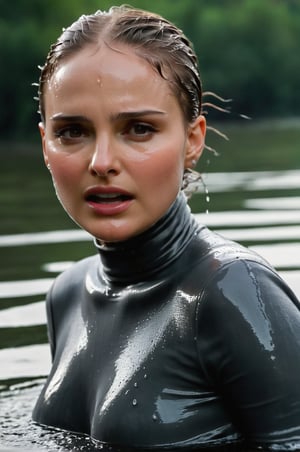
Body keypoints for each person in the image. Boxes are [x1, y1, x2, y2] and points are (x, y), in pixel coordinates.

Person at [32, 5, 300, 451]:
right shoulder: (66, 295)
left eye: (138, 128)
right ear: (46, 144)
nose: (101, 163)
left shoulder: (232, 292)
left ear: (192, 139)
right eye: (73, 132)